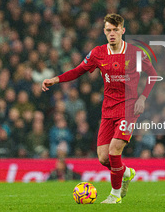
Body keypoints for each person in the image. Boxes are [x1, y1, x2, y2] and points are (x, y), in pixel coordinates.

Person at [42, 13, 156, 204]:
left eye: (115, 30)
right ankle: (126, 173)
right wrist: (56, 79)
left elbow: (152, 75)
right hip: (108, 109)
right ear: (104, 31)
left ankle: (115, 195)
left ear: (123, 31)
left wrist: (143, 97)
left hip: (128, 108)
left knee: (114, 151)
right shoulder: (97, 53)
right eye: (108, 30)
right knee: (104, 158)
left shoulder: (135, 53)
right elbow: (78, 70)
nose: (112, 34)